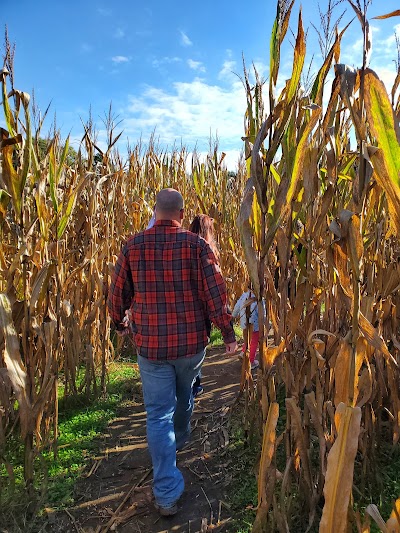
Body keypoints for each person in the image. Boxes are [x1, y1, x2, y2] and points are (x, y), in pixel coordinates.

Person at [107, 188, 237, 517]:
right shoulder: (197, 246)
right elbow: (215, 291)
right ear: (181, 215)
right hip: (191, 346)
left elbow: (118, 291)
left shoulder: (133, 245)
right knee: (184, 397)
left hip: (150, 347)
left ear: (156, 211)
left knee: (157, 413)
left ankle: (166, 491)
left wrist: (118, 321)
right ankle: (177, 441)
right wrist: (228, 333)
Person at [188, 214, 219, 397]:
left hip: (182, 309)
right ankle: (194, 384)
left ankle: (191, 384)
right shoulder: (207, 250)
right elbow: (214, 288)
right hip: (201, 314)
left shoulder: (182, 246)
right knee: (197, 348)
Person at [232, 283, 260, 370]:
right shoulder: (258, 298)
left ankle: (243, 353)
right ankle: (251, 362)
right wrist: (267, 323)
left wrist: (233, 315)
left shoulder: (244, 295)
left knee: (247, 339)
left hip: (244, 323)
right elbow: (262, 313)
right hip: (254, 325)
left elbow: (237, 307)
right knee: (254, 342)